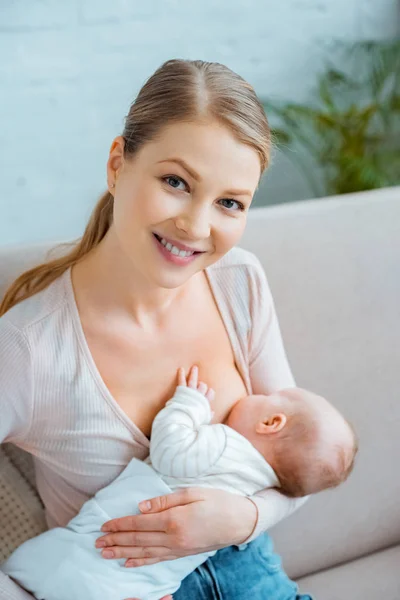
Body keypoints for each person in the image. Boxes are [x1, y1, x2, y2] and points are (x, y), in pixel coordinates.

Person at [0, 58, 315, 600]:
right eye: (176, 181)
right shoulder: (30, 346)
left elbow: (304, 458)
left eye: (229, 203)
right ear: (118, 164)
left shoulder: (239, 281)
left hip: (257, 579)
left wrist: (240, 518)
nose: (196, 226)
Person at [2, 365, 357, 600]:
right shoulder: (260, 480)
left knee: (59, 565)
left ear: (271, 422)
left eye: (266, 398)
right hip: (152, 581)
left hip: (131, 568)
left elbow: (172, 451)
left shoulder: (225, 446)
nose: (258, 392)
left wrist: (189, 405)